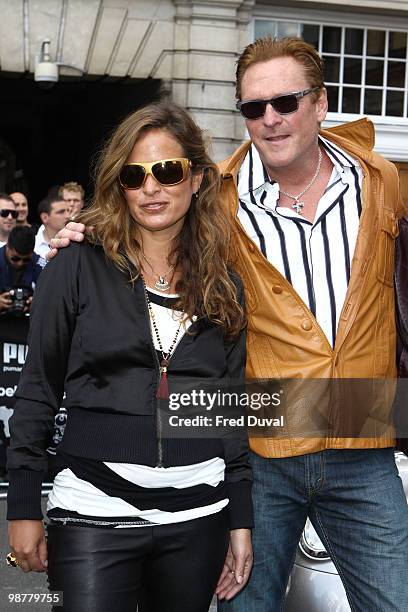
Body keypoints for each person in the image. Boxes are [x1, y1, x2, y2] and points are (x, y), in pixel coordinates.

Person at [52, 37, 408, 612]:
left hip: (364, 442)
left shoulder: (385, 182)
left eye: (286, 102)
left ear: (321, 103)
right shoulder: (215, 197)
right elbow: (145, 207)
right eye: (252, 107)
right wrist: (85, 232)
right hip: (261, 448)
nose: (270, 119)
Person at [6, 102, 253, 612]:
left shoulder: (224, 284)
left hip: (199, 514)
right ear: (119, 185)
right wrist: (24, 505)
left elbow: (231, 407)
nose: (151, 188)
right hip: (93, 509)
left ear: (198, 179)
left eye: (167, 171)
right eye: (134, 175)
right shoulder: (75, 265)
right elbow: (37, 389)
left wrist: (240, 519)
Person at [0, 226, 42, 315]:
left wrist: (39, 303)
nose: (20, 263)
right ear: (7, 246)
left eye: (26, 260)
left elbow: (55, 298)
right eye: (15, 258)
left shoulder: (40, 265)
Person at [34, 195, 71, 259]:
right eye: (61, 212)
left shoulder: (74, 242)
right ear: (44, 217)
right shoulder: (33, 246)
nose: (67, 216)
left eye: (68, 211)